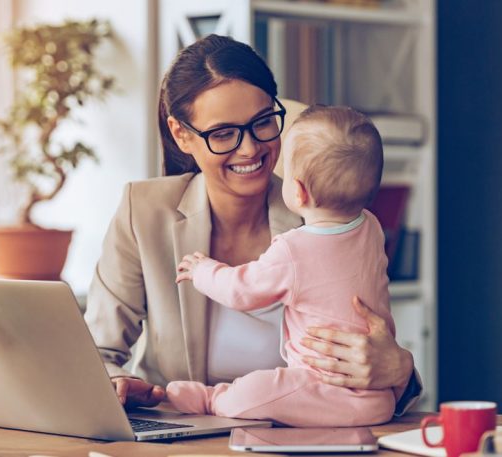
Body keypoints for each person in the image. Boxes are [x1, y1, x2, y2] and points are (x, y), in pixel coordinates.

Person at [84, 34, 421, 413]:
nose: (250, 149)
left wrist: (400, 369)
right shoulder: (143, 211)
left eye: (262, 122)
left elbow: (375, 340)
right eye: (224, 133)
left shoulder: (327, 214)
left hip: (299, 435)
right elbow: (96, 351)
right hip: (182, 436)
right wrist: (117, 384)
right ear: (181, 134)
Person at [166, 105, 395, 426]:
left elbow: (241, 290)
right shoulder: (371, 228)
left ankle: (212, 398)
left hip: (319, 384)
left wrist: (202, 270)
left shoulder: (294, 249)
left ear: (298, 192)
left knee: (258, 389)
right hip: (377, 398)